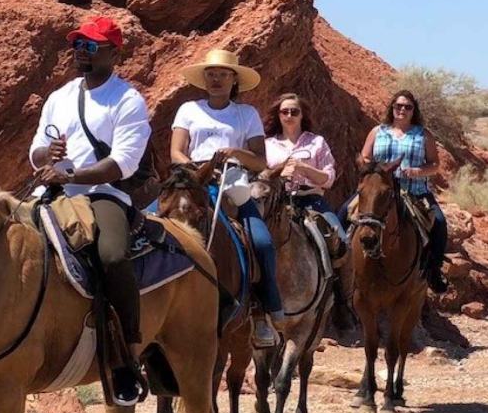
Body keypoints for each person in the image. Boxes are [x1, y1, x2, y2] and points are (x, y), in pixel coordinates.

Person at [31, 15, 152, 407]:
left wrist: (74, 174)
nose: (81, 52)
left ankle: (128, 354)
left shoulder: (127, 99)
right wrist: (45, 156)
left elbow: (124, 163)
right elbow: (36, 150)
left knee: (112, 255)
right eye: (78, 45)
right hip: (52, 191)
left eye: (91, 46)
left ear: (114, 52)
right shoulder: (59, 97)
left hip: (103, 195)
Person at [168, 49, 284, 349]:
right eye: (211, 75)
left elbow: (260, 161)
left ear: (234, 80)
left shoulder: (247, 114)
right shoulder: (188, 109)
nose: (216, 80)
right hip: (192, 179)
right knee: (148, 222)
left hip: (231, 180)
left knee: (261, 241)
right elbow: (176, 152)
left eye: (222, 75)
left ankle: (262, 311)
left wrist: (235, 153)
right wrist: (195, 168)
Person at [357, 89, 449, 294]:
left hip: (414, 190)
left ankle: (433, 270)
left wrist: (418, 171)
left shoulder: (423, 135)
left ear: (413, 110)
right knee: (344, 213)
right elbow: (364, 157)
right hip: (379, 191)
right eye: (398, 106)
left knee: (440, 224)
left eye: (407, 107)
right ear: (392, 108)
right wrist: (377, 170)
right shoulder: (377, 131)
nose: (402, 110)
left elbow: (434, 164)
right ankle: (342, 270)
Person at [263, 94, 343, 233]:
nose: (289, 115)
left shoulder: (317, 142)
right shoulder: (267, 145)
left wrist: (305, 169)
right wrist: (278, 173)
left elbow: (328, 180)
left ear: (302, 115)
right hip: (276, 201)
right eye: (284, 112)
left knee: (341, 241)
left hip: (311, 200)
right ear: (278, 115)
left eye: (294, 112)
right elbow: (259, 177)